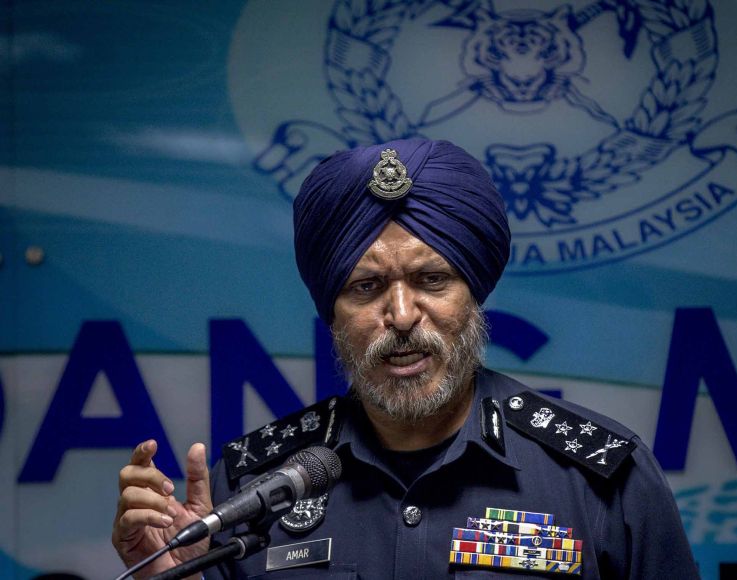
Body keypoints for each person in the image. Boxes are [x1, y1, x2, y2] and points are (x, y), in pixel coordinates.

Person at [112, 138, 699, 579]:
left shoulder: (601, 478)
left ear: (474, 297)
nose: (400, 315)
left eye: (432, 279)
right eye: (365, 288)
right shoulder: (249, 488)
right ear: (333, 314)